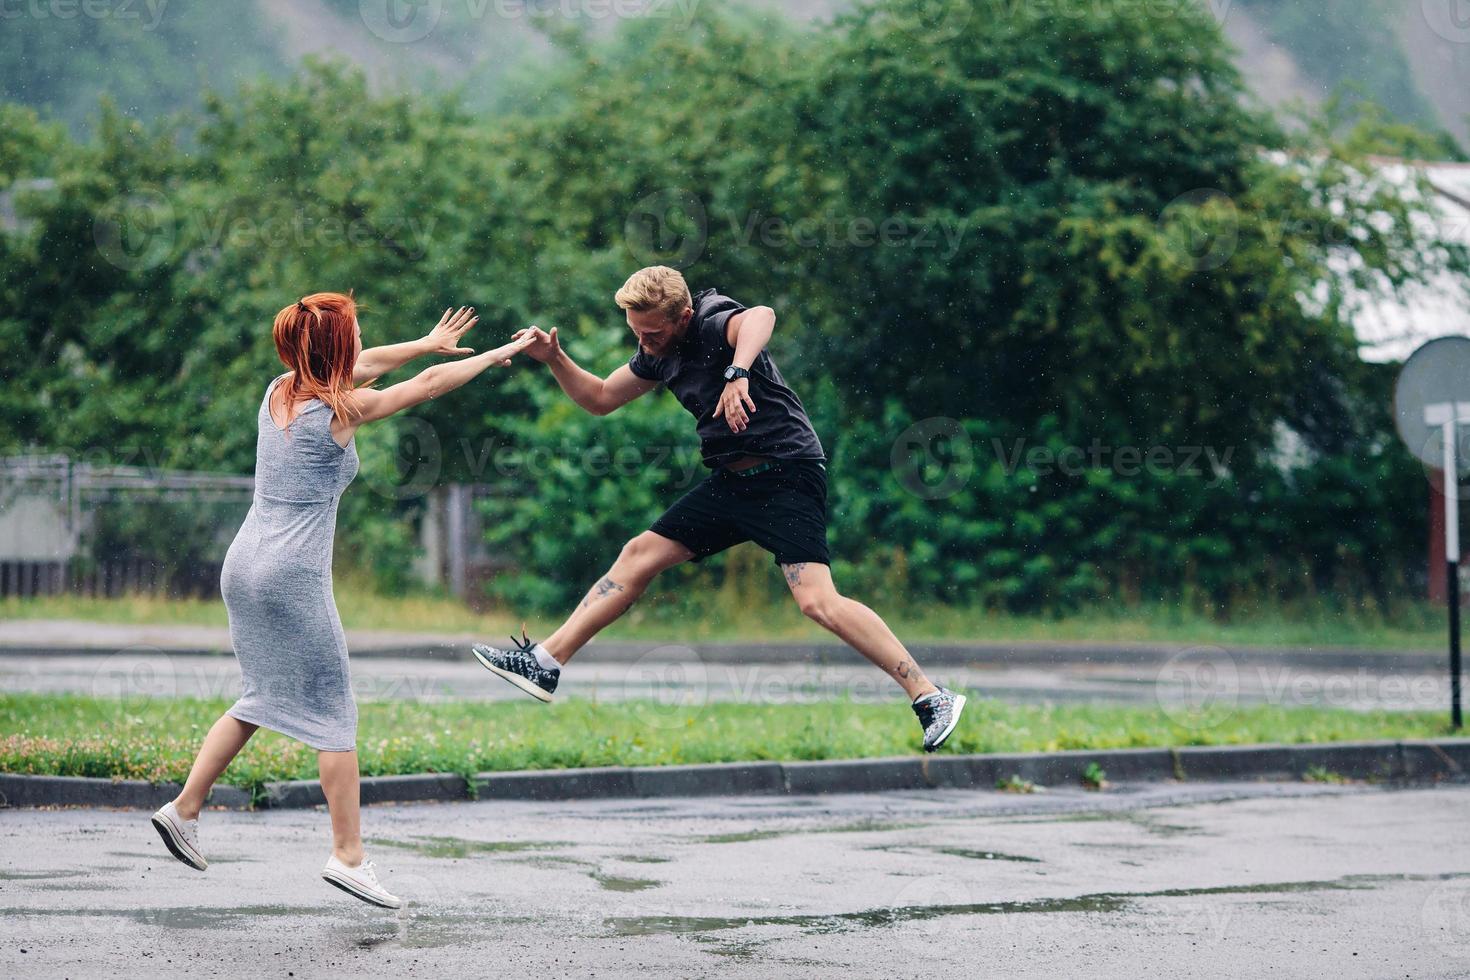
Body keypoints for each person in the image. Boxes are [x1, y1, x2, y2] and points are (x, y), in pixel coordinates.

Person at [472, 266, 966, 751]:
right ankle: (546, 662)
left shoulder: (711, 320)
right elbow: (600, 398)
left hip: (787, 472)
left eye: (652, 333)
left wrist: (738, 371)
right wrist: (555, 358)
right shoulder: (657, 354)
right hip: (732, 482)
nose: (643, 342)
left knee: (817, 601)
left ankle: (930, 696)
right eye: (636, 333)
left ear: (683, 316)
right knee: (639, 554)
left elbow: (761, 316)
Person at [151, 294, 532, 908]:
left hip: (243, 562)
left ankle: (184, 808)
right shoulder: (339, 410)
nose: (361, 346)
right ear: (336, 350)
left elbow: (377, 363)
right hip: (290, 572)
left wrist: (424, 342)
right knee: (334, 715)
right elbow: (428, 387)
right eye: (353, 337)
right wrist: (501, 352)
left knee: (261, 695)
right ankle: (349, 856)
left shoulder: (280, 389)